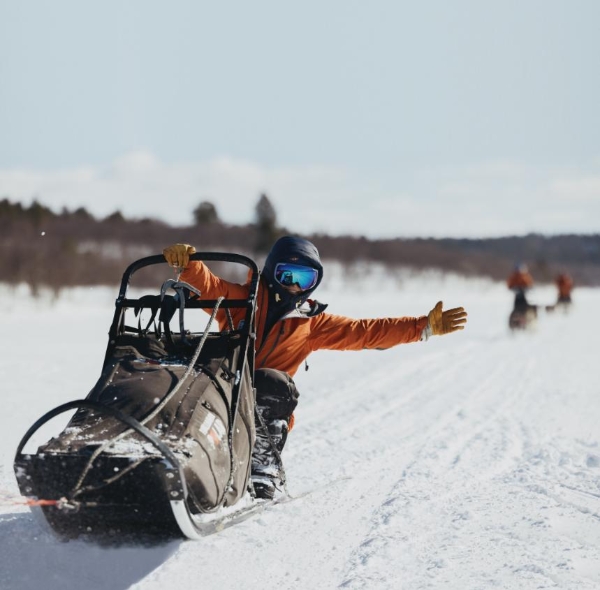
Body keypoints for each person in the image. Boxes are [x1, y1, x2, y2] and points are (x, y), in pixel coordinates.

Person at [163, 236, 468, 499]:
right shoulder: (244, 300)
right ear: (271, 273)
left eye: (304, 279)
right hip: (223, 391)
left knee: (276, 382)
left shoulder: (311, 323)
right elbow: (210, 287)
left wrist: (422, 326)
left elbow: (365, 331)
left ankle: (263, 467)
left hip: (264, 405)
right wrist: (189, 265)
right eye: (287, 276)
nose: (294, 287)